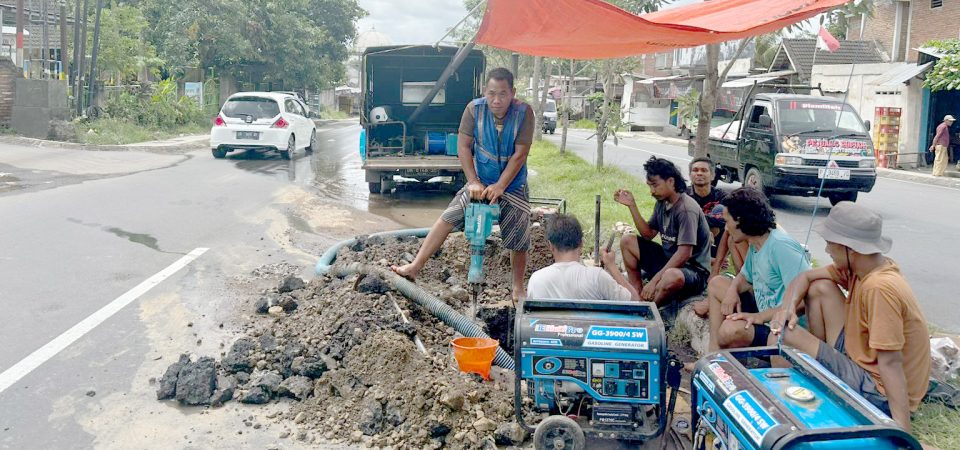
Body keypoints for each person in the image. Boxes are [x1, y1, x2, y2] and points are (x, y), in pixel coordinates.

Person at [771, 202, 930, 431]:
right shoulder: (864, 267)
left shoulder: (879, 288)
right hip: (864, 358)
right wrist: (787, 309)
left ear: (850, 248)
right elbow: (804, 278)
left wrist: (901, 430)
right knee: (820, 287)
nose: (827, 251)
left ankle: (796, 399)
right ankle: (825, 368)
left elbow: (891, 362)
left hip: (880, 391)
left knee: (785, 334)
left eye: (830, 245)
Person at [393, 68, 535, 300]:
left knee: (519, 234)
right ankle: (415, 267)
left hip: (512, 184)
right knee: (447, 217)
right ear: (484, 92)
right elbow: (464, 146)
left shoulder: (524, 113)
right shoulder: (474, 110)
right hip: (482, 181)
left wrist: (500, 186)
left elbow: (520, 154)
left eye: (502, 94)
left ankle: (517, 287)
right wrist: (473, 181)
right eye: (491, 94)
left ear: (513, 93)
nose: (496, 100)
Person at [704, 188, 811, 351]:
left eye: (727, 222)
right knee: (717, 283)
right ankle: (711, 356)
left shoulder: (781, 246)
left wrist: (759, 317)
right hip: (764, 313)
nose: (725, 229)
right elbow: (745, 277)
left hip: (784, 328)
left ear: (740, 220)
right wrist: (732, 290)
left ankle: (729, 363)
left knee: (729, 330)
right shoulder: (756, 243)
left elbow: (804, 300)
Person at [615, 156, 711, 305]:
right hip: (668, 261)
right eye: (649, 186)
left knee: (671, 276)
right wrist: (632, 206)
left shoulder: (686, 209)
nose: (652, 191)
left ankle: (651, 308)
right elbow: (648, 234)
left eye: (655, 185)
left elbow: (684, 254)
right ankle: (636, 295)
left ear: (671, 182)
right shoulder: (662, 203)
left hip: (692, 270)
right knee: (627, 240)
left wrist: (654, 281)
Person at [527, 214, 639, 301]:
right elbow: (635, 301)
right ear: (581, 243)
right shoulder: (597, 277)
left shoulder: (536, 280)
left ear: (550, 246)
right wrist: (612, 266)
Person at [685, 158, 748, 279]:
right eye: (695, 170)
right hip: (693, 242)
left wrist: (703, 222)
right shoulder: (684, 196)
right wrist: (704, 227)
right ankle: (708, 260)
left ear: (712, 175)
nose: (699, 173)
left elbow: (728, 220)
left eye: (704, 170)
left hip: (717, 243)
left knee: (723, 215)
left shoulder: (722, 196)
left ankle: (743, 275)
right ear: (690, 175)